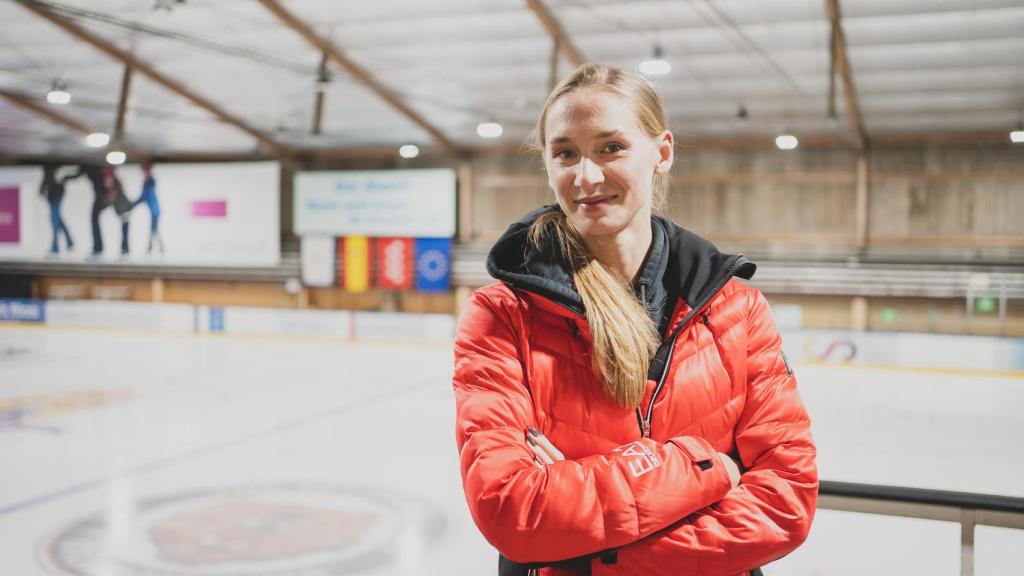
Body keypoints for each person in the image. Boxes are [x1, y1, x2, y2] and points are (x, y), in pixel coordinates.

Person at [453, 64, 817, 576]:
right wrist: (700, 467)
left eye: (610, 148)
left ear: (661, 153)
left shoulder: (738, 310)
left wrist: (590, 543)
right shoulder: (502, 315)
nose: (586, 176)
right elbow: (514, 510)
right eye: (564, 153)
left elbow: (786, 501)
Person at [64, 165, 109, 257]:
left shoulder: (89, 166)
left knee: (94, 221)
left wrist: (65, 178)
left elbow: (78, 174)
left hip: (101, 197)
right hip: (101, 196)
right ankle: (98, 247)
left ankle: (98, 248)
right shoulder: (91, 167)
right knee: (94, 221)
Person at [39, 164, 73, 254]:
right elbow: (47, 177)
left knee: (54, 221)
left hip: (56, 193)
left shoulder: (53, 165)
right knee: (57, 220)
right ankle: (70, 242)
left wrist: (41, 189)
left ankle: (55, 247)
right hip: (52, 194)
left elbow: (49, 177)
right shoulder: (49, 166)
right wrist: (42, 189)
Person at [133, 162, 163, 254]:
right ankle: (153, 247)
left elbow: (144, 197)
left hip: (155, 210)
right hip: (154, 209)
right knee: (153, 229)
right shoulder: (148, 182)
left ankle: (157, 247)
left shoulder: (150, 183)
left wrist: (133, 205)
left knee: (154, 229)